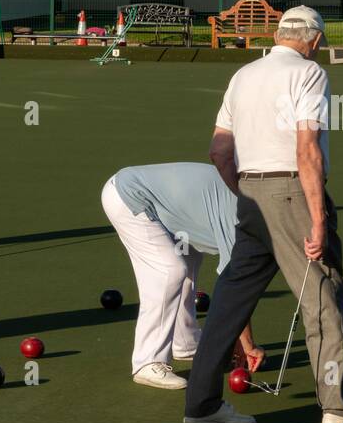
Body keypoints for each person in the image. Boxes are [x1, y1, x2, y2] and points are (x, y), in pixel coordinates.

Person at [183, 6, 343, 423]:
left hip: (251, 194)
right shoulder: (308, 74)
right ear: (313, 39)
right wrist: (316, 218)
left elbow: (219, 152)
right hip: (292, 191)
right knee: (323, 300)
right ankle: (337, 409)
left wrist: (245, 196)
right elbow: (307, 148)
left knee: (228, 302)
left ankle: (201, 405)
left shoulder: (243, 76)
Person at [101, 162, 264, 389]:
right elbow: (236, 285)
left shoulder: (248, 199)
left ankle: (185, 342)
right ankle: (147, 362)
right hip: (129, 198)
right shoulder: (239, 215)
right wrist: (247, 344)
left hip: (167, 211)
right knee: (170, 270)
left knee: (188, 261)